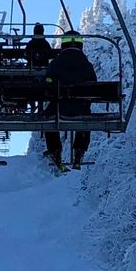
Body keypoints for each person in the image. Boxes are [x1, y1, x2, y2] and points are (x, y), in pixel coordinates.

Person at [42, 31, 99, 171]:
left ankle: (54, 150)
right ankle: (79, 150)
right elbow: (94, 85)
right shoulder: (87, 65)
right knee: (86, 118)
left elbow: (46, 83)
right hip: (80, 107)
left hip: (59, 107)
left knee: (48, 118)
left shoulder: (56, 64)